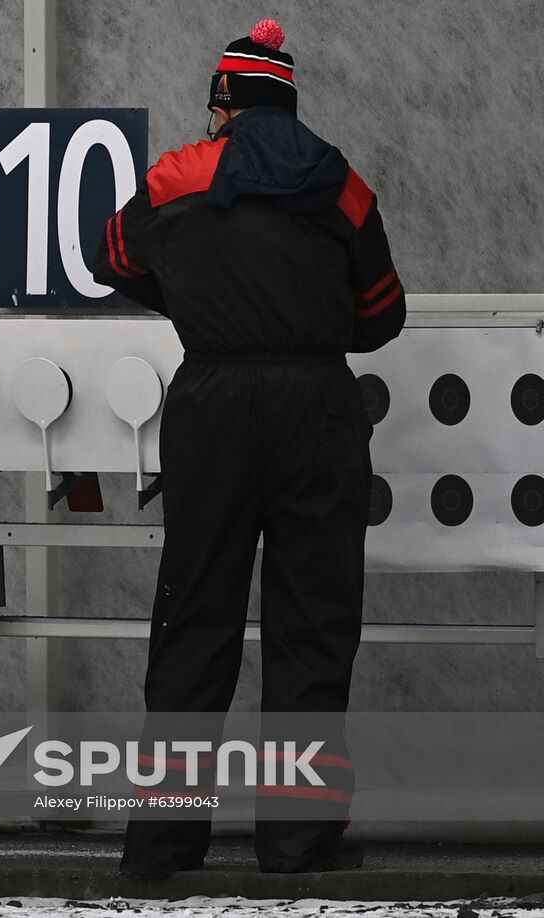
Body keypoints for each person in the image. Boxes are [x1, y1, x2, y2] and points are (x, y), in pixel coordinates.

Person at [92, 19, 405, 876]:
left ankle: (164, 838)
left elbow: (107, 254)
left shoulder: (179, 176)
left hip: (214, 404)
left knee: (195, 618)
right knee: (311, 628)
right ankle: (297, 841)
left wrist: (194, 299)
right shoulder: (340, 181)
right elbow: (383, 315)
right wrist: (306, 323)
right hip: (317, 409)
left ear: (226, 102)